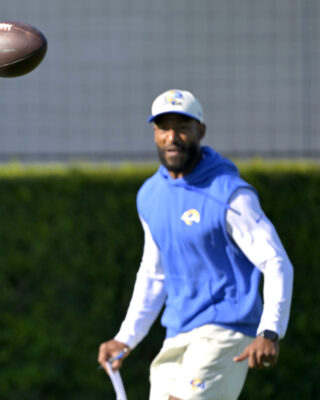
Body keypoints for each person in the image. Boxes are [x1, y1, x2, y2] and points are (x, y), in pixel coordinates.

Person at [97, 89, 293, 400]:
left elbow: (276, 261)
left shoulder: (230, 194)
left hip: (227, 329)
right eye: (164, 128)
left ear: (200, 130)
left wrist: (269, 331)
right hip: (178, 332)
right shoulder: (150, 195)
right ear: (154, 133)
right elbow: (154, 273)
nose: (172, 137)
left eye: (182, 127)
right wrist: (126, 338)